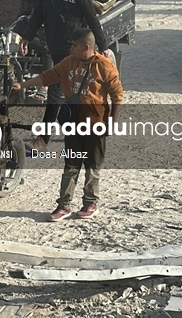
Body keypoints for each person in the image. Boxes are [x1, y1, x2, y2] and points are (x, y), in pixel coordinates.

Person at [11, 28, 122, 222]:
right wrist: (24, 85)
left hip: (96, 125)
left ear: (86, 47)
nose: (71, 48)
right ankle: (64, 205)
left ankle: (90, 202)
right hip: (73, 125)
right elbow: (48, 76)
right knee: (70, 165)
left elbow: (117, 95)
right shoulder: (68, 63)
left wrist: (112, 122)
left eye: (75, 45)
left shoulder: (104, 66)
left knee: (92, 166)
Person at [19, 0, 109, 152]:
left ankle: (44, 139)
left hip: (72, 47)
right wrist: (27, 37)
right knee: (64, 92)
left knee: (61, 91)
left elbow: (91, 17)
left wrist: (102, 45)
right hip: (51, 44)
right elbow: (38, 14)